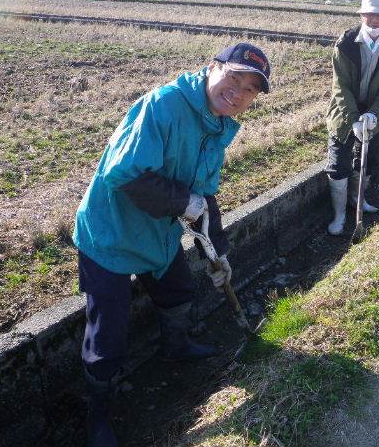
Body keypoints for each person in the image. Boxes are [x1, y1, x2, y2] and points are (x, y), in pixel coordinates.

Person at [72, 42, 271, 447]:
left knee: (178, 288)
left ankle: (176, 347)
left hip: (157, 231)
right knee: (108, 330)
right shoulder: (163, 106)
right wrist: (184, 202)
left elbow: (205, 195)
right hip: (111, 229)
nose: (238, 92)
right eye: (233, 77)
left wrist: (218, 252)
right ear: (212, 67)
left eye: (250, 89)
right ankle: (98, 413)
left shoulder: (220, 124)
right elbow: (124, 176)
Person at [325, 0, 379, 235]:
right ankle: (339, 215)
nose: (374, 20)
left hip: (374, 115)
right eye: (369, 14)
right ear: (362, 15)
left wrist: (374, 115)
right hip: (343, 113)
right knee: (338, 165)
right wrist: (353, 119)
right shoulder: (346, 43)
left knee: (367, 160)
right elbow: (340, 86)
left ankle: (357, 201)